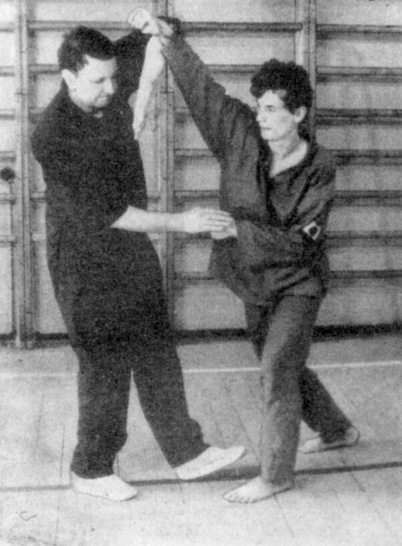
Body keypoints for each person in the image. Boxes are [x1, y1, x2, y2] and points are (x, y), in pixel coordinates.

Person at [130, 10, 360, 504]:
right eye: (259, 107)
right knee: (281, 363)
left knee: (276, 365)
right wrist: (170, 41)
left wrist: (239, 228)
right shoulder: (239, 133)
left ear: (299, 114)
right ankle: (337, 429)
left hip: (299, 283)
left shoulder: (320, 167)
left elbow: (302, 242)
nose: (261, 116)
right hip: (252, 279)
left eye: (272, 109)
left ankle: (276, 474)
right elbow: (203, 90)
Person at [30, 22, 245, 502]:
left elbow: (159, 37)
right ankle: (91, 468)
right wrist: (184, 222)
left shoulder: (106, 77)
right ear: (68, 77)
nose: (112, 88)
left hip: (129, 247)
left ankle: (186, 452)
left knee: (155, 346)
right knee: (105, 361)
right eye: (99, 81)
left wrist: (144, 76)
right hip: (83, 256)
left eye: (114, 78)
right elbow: (112, 213)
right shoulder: (53, 135)